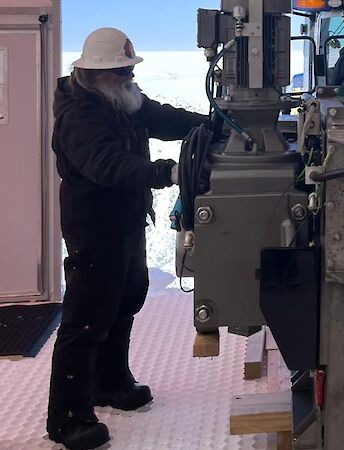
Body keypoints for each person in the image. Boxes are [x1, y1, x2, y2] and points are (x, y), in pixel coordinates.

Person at [47, 27, 206, 450]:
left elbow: (161, 117)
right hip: (94, 227)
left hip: (127, 220)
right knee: (86, 317)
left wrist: (210, 126)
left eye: (128, 70)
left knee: (125, 300)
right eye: (120, 71)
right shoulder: (79, 115)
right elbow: (107, 165)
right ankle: (67, 417)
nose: (128, 77)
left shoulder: (120, 98)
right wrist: (167, 173)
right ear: (95, 74)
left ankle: (110, 382)